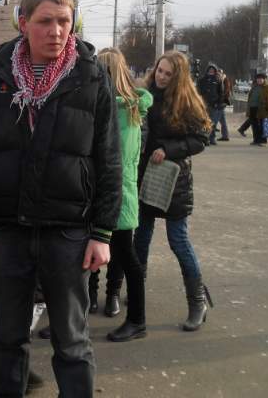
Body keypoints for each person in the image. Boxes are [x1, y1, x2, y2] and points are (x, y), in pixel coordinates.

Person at [0, 0, 121, 397]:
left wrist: (103, 233)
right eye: (46, 21)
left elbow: (109, 158)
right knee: (7, 338)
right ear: (23, 23)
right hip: (8, 229)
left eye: (64, 21)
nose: (57, 31)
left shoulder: (90, 76)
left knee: (72, 340)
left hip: (68, 231)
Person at [134, 50, 213, 333]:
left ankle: (197, 302)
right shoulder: (144, 94)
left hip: (174, 180)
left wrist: (168, 149)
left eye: (168, 74)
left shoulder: (188, 101)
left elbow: (201, 139)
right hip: (145, 176)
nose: (162, 77)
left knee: (178, 241)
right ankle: (136, 293)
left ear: (178, 77)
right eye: (160, 70)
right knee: (140, 239)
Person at [87, 49, 152, 341]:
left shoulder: (120, 110)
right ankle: (75, 317)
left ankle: (137, 320)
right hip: (116, 192)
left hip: (115, 194)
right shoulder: (128, 107)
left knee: (126, 256)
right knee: (101, 255)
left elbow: (112, 157)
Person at [197, 63, 224, 145]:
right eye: (210, 70)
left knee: (212, 123)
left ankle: (211, 138)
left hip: (214, 104)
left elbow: (221, 92)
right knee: (204, 122)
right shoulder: (202, 80)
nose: (211, 71)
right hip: (204, 104)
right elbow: (198, 91)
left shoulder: (218, 80)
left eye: (213, 70)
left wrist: (219, 102)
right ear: (207, 70)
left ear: (215, 71)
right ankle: (204, 138)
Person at [246, 72, 268, 146]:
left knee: (262, 125)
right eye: (258, 79)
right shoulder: (254, 87)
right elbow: (250, 97)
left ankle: (262, 141)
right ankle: (256, 140)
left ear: (264, 79)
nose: (259, 80)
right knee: (254, 125)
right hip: (252, 108)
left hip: (262, 109)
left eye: (261, 79)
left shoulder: (267, 88)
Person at [216, 69, 231, 141]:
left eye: (219, 73)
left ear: (222, 74)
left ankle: (225, 135)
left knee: (215, 119)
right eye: (217, 74)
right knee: (222, 120)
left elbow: (226, 91)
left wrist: (220, 97)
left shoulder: (224, 80)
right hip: (220, 102)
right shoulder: (219, 80)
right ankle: (225, 135)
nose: (218, 75)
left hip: (222, 102)